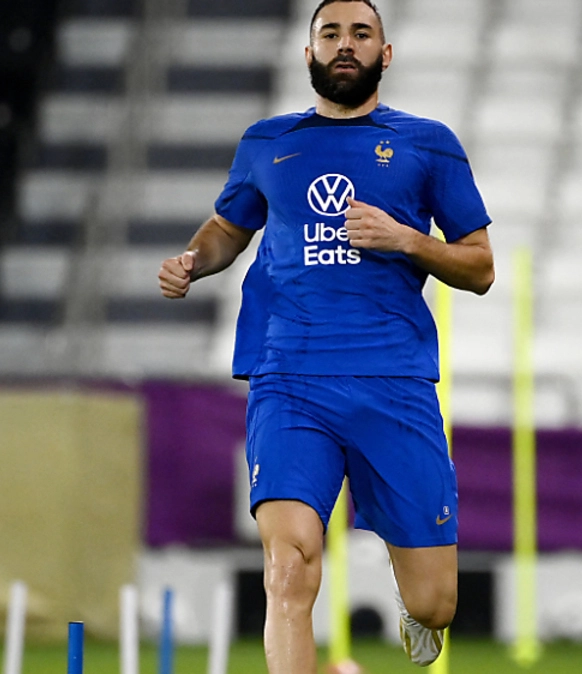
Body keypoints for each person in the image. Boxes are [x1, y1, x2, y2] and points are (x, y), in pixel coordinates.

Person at [157, 0, 494, 670]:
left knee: (436, 604)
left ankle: (416, 610)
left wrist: (406, 239)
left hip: (393, 381)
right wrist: (195, 259)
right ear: (308, 52)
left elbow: (480, 267)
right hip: (289, 379)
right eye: (330, 33)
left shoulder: (428, 144)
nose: (345, 44)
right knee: (288, 570)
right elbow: (227, 228)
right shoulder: (266, 142)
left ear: (384, 54)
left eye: (361, 34)